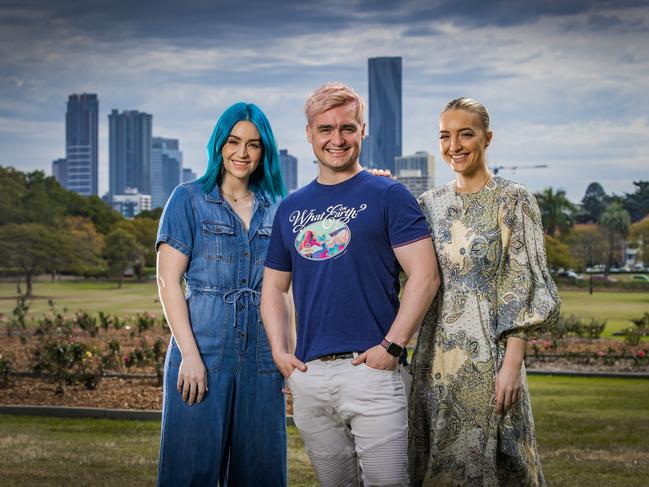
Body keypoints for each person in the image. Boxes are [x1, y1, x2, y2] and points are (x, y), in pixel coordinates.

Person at [260, 82, 440, 487]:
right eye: (325, 129)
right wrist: (280, 353)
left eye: (347, 128)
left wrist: (391, 347)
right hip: (310, 375)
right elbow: (273, 288)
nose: (336, 139)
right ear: (309, 133)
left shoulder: (389, 194)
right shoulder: (290, 208)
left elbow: (425, 276)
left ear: (362, 130)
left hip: (374, 371)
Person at [409, 97, 560, 486]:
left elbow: (522, 283)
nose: (454, 145)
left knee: (497, 461)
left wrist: (512, 366)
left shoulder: (514, 200)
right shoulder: (429, 205)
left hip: (490, 360)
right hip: (435, 360)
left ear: (487, 138)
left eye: (466, 134)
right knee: (439, 463)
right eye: (445, 136)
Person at [155, 102, 287, 486]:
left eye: (254, 144)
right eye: (233, 141)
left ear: (266, 152)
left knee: (262, 470)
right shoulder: (189, 199)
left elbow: (284, 290)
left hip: (263, 356)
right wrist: (191, 356)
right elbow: (167, 282)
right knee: (190, 470)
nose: (242, 153)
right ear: (219, 144)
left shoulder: (277, 208)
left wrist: (284, 352)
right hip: (203, 351)